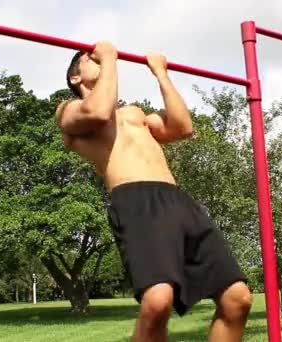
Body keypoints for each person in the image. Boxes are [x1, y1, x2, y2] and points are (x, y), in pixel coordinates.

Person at [55, 41, 252, 342]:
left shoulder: (134, 113)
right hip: (135, 201)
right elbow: (98, 111)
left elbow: (182, 127)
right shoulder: (69, 113)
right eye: (89, 57)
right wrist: (109, 57)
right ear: (75, 78)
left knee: (237, 299)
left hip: (176, 198)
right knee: (158, 302)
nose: (97, 57)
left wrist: (161, 73)